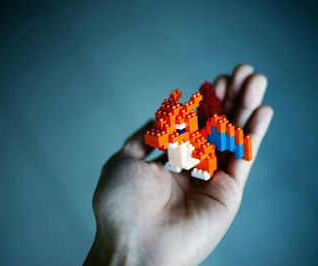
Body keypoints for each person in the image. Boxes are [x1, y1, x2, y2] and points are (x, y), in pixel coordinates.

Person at [84, 64, 274, 265]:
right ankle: (179, 163)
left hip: (199, 152)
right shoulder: (171, 134)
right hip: (179, 154)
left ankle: (202, 166)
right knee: (176, 155)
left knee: (201, 155)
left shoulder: (194, 133)